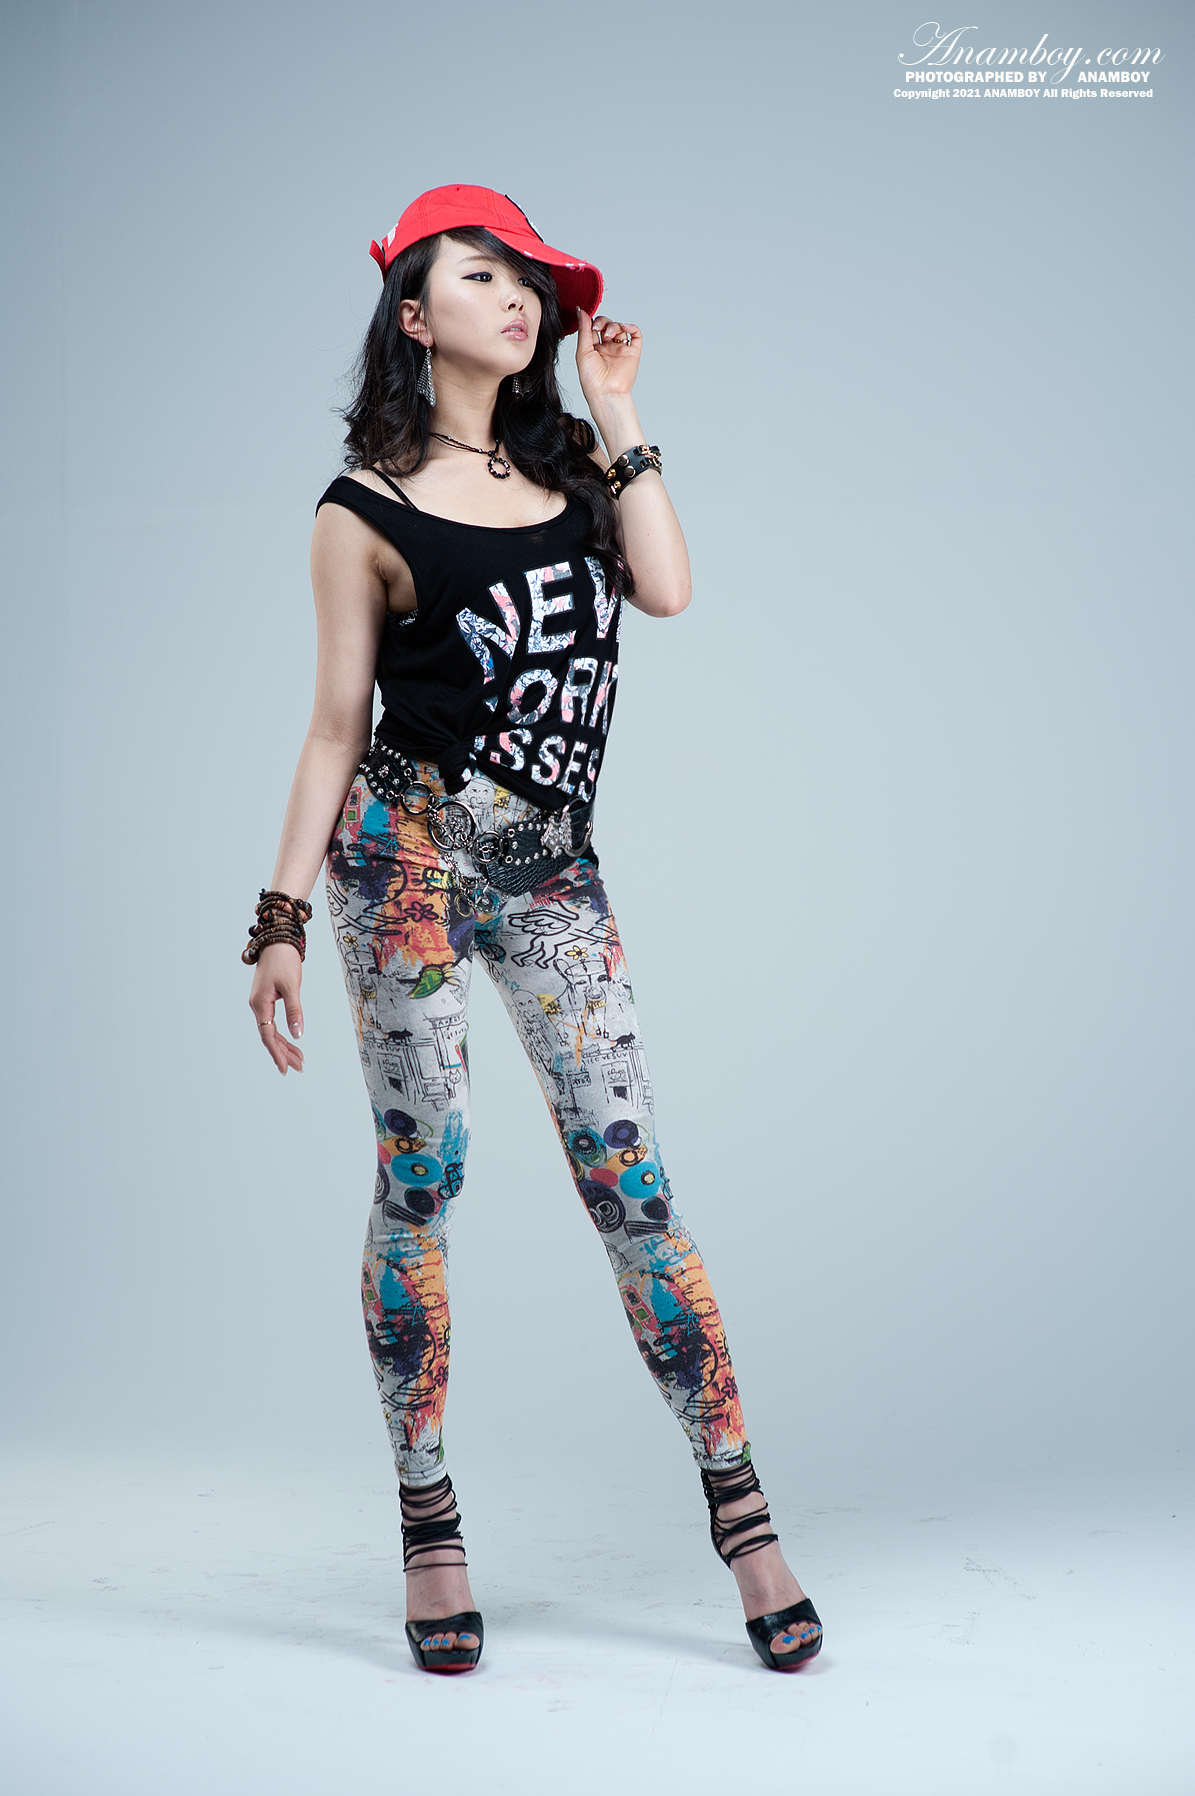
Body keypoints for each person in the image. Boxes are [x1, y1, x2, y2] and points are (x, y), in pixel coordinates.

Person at [243, 185, 822, 1676]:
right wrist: (278, 920)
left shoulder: (575, 471)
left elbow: (669, 591)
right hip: (405, 860)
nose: (518, 300)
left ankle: (744, 1516)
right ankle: (429, 1521)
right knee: (423, 1175)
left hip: (554, 874)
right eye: (481, 275)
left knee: (634, 1186)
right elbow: (333, 727)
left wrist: (618, 410)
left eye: (528, 281)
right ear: (414, 315)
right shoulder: (360, 512)